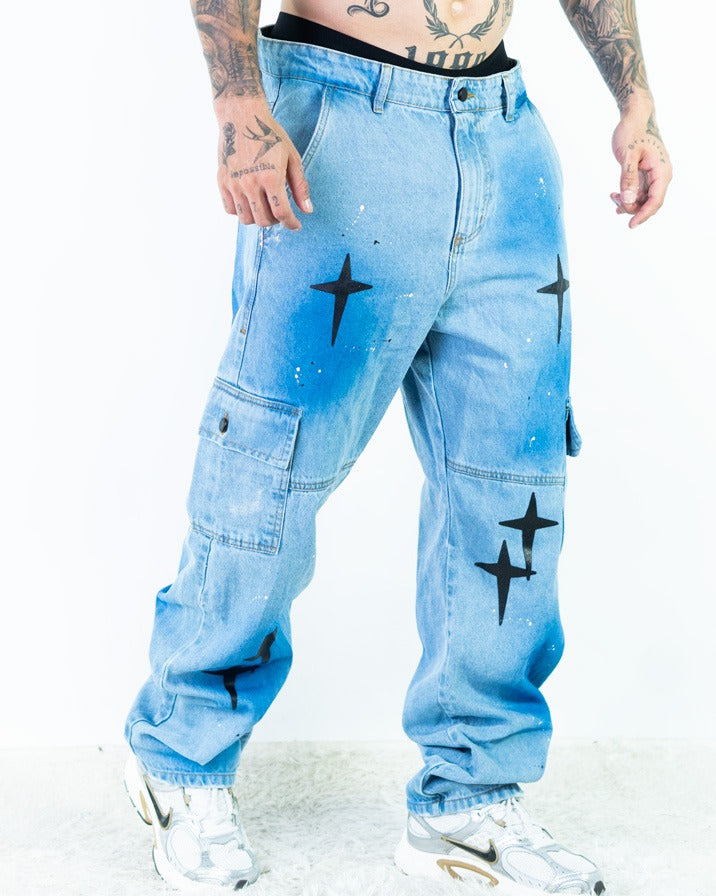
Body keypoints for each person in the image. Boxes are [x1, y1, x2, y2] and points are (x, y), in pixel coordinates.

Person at [122, 1, 672, 892]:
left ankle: (469, 798)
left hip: (505, 140)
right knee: (274, 465)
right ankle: (179, 758)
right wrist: (237, 103)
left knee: (511, 485)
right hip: (342, 124)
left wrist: (635, 96)